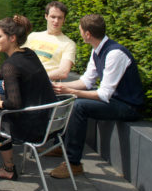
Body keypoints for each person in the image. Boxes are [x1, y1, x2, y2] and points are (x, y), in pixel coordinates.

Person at [49, 14, 145, 179]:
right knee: (64, 99)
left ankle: (73, 163)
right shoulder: (97, 50)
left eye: (80, 30)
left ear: (87, 34)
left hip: (128, 105)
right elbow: (86, 81)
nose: (79, 33)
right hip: (113, 100)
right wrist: (59, 88)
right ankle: (60, 145)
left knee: (78, 106)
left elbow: (104, 94)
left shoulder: (115, 54)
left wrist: (73, 92)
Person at [0, 15, 56, 180]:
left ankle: (6, 167)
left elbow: (13, 103)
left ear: (12, 38)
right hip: (50, 120)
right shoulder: (28, 54)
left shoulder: (11, 65)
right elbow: (6, 73)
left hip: (35, 128)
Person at [23, 1, 76, 81]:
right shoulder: (33, 36)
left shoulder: (69, 44)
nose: (56, 21)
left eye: (60, 18)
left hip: (44, 83)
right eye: (53, 17)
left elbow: (63, 72)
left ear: (64, 20)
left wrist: (34, 77)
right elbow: (19, 59)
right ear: (46, 16)